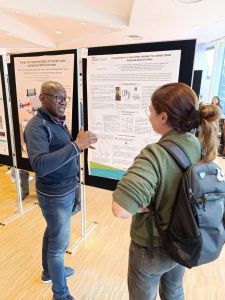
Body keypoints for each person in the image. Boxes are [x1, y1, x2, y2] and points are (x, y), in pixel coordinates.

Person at [112, 82, 220, 300]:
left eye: (150, 111)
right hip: (183, 240)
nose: (148, 116)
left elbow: (120, 209)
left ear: (163, 117)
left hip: (152, 248)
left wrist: (148, 205)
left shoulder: (154, 155)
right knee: (173, 290)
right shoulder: (197, 143)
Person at [24, 81, 97, 300]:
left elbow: (60, 150)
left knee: (52, 232)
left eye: (65, 98)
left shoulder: (55, 120)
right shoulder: (37, 126)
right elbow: (41, 165)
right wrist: (76, 146)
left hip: (64, 189)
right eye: (57, 97)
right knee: (58, 246)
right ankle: (61, 294)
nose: (63, 102)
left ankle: (49, 272)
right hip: (55, 195)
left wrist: (78, 144)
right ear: (42, 98)